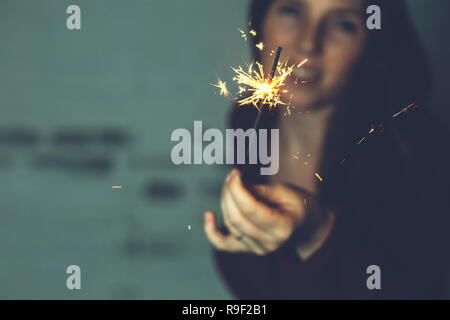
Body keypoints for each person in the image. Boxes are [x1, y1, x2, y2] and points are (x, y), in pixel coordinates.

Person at [204, 0, 450, 299]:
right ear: (259, 19)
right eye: (292, 10)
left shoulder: (416, 152)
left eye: (343, 24)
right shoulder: (247, 120)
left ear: (372, 41)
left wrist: (318, 236)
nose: (308, 44)